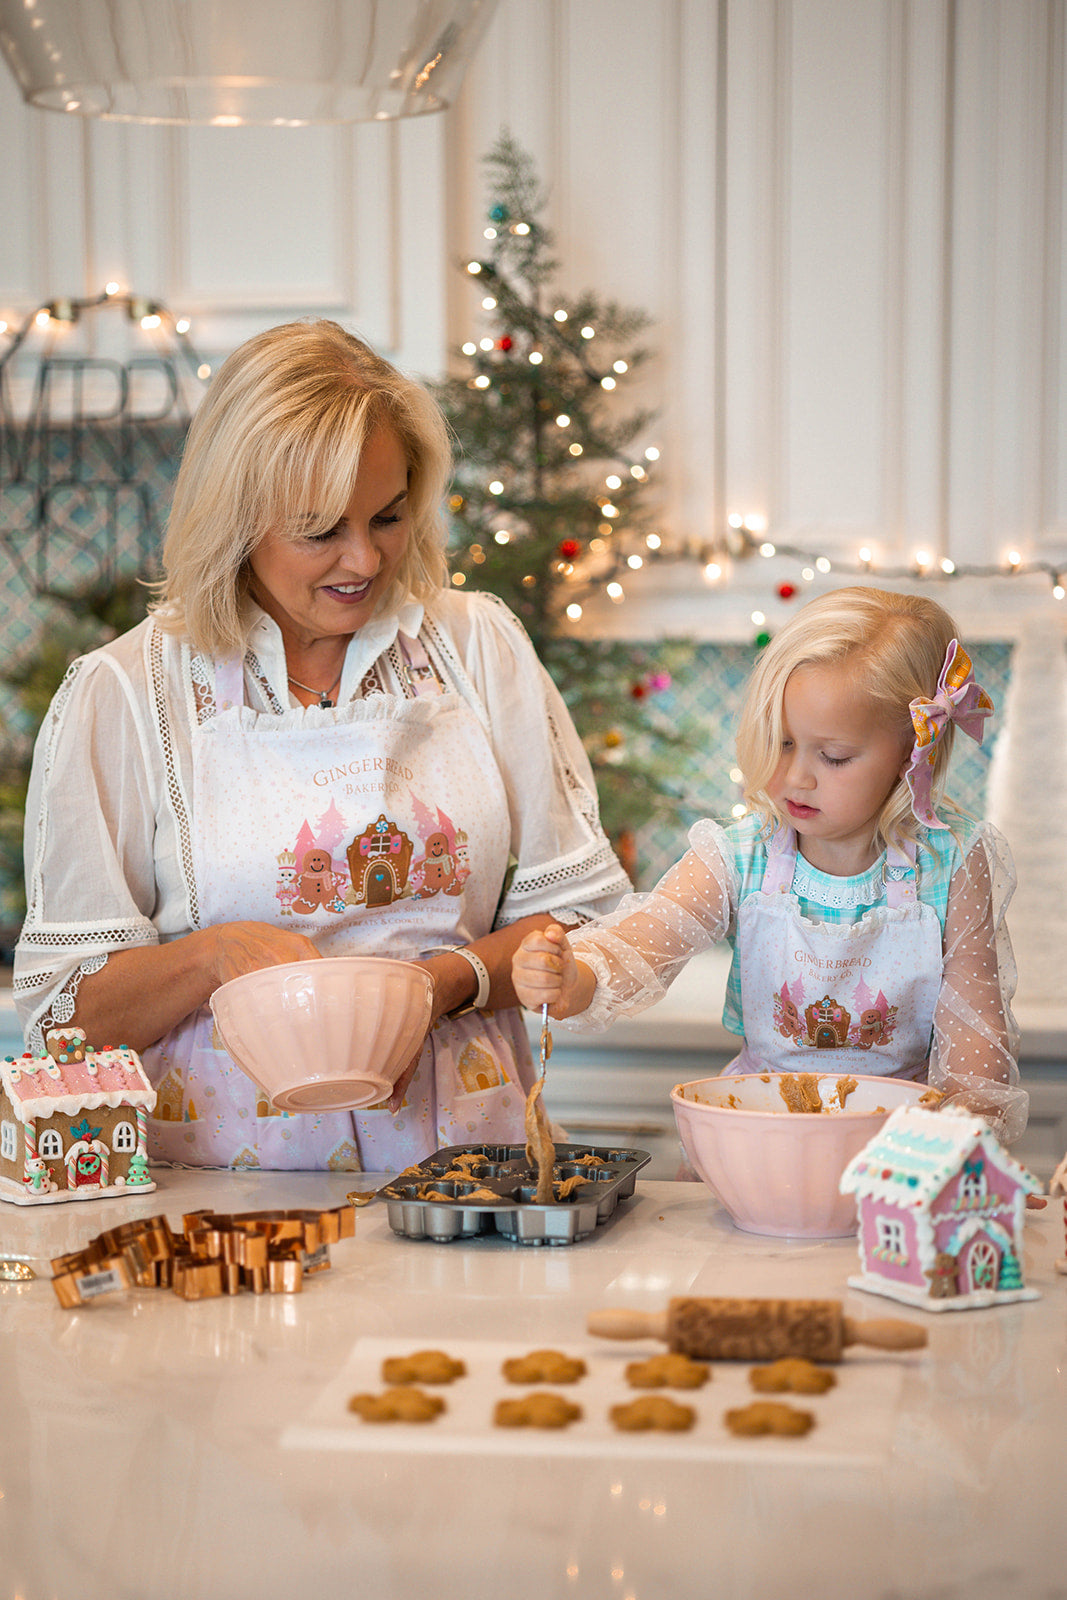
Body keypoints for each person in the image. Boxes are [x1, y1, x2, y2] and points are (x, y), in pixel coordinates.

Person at [14, 319, 630, 1171]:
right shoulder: (123, 693)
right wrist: (212, 957)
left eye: (388, 515)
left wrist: (445, 983)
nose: (364, 558)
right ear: (236, 520)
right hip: (226, 1198)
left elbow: (582, 917)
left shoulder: (477, 647)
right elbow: (62, 1020)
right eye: (318, 531)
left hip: (464, 1168)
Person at [513, 586, 1028, 1142]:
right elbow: (643, 941)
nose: (796, 777)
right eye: (781, 743)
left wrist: (969, 1144)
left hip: (901, 1144)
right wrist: (575, 976)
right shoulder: (741, 854)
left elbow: (975, 1036)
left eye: (833, 757)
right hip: (762, 1136)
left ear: (912, 750)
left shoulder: (951, 861)